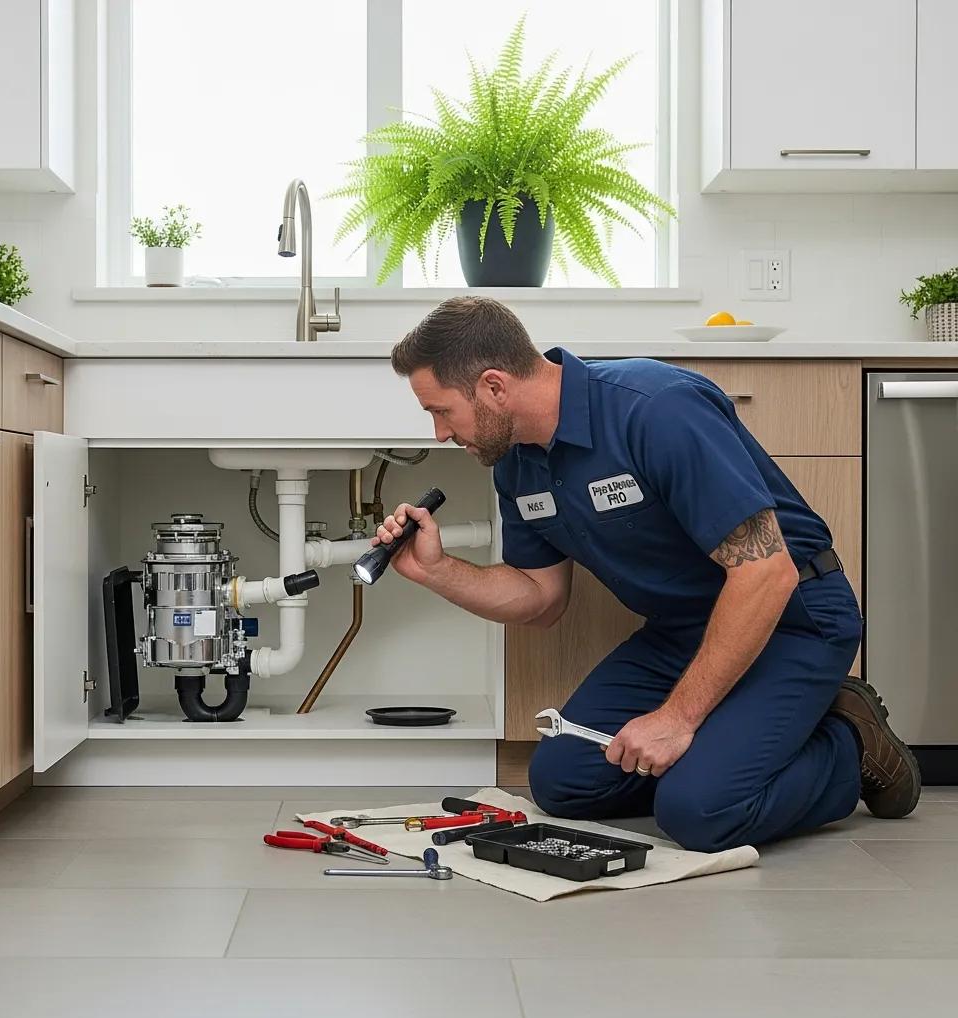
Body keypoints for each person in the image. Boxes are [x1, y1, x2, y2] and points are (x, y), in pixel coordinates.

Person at [372, 295, 920, 853]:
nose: (440, 433)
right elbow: (540, 598)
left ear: (492, 386)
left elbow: (765, 574)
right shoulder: (516, 460)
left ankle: (849, 741)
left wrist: (677, 720)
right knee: (562, 781)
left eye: (440, 411)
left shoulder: (656, 409)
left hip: (792, 616)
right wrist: (437, 571)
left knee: (701, 815)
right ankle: (726, 747)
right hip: (682, 631)